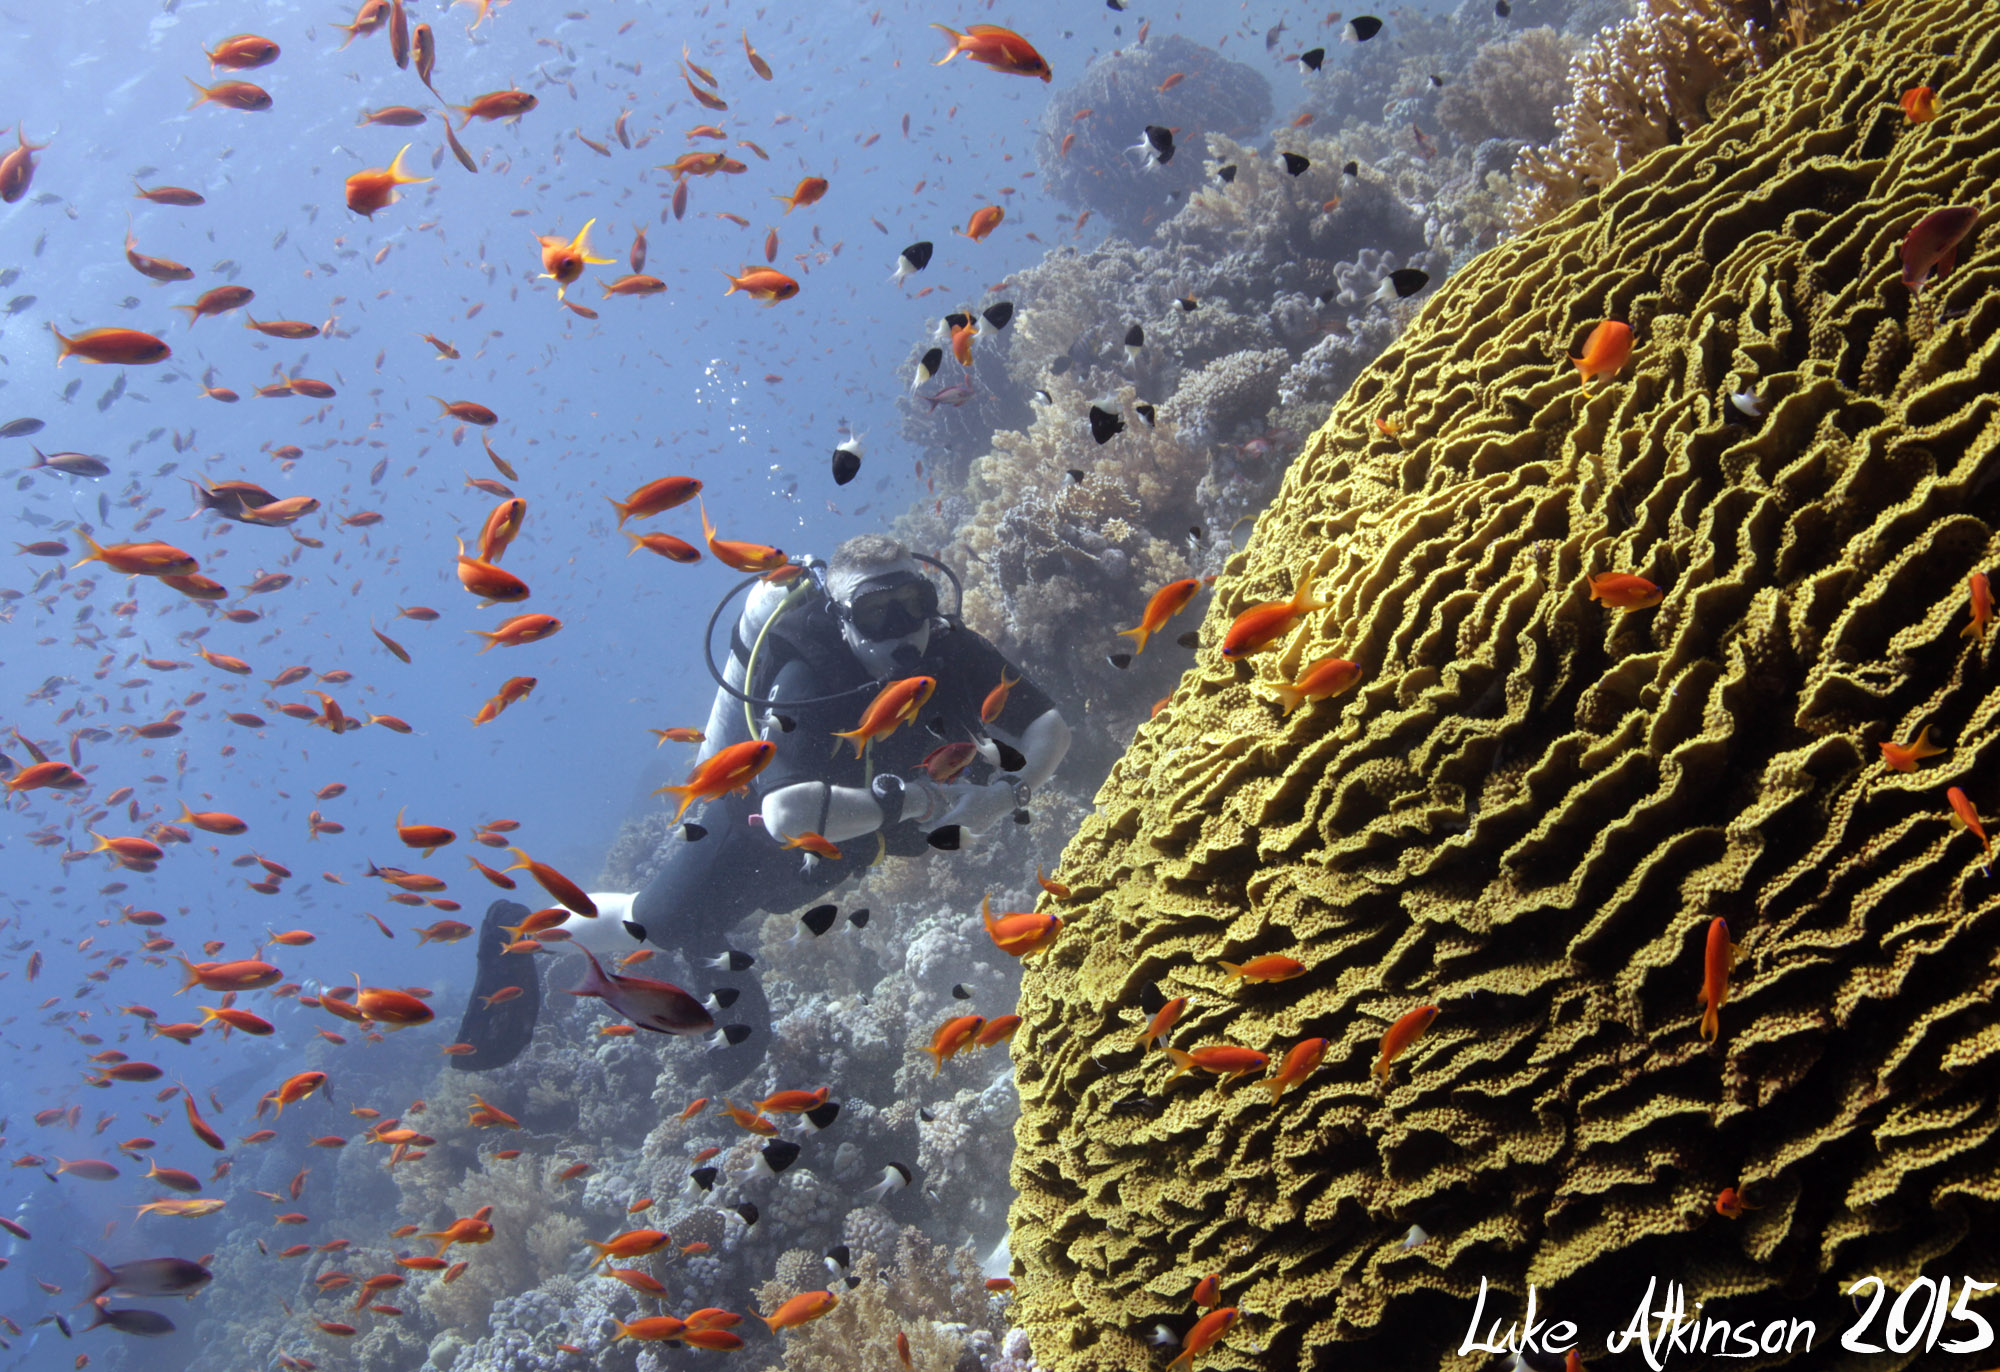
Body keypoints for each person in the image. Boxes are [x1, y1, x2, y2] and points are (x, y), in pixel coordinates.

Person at [452, 534, 1071, 1071]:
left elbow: (1050, 727)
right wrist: (922, 801)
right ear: (842, 618)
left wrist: (1011, 793)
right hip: (752, 828)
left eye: (914, 603)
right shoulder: (809, 674)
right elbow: (784, 815)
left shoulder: (950, 648)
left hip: (851, 837)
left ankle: (713, 949)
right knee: (655, 923)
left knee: (754, 909)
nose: (902, 627)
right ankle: (515, 929)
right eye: (875, 612)